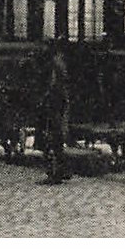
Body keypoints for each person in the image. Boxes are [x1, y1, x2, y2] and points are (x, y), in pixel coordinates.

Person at [40, 40, 72, 185]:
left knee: (52, 137)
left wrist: (45, 96)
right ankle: (61, 169)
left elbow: (52, 84)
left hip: (54, 101)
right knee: (57, 137)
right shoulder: (61, 62)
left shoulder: (54, 64)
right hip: (61, 100)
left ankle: (55, 172)